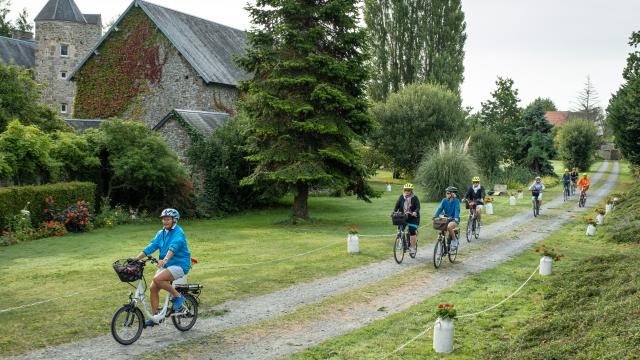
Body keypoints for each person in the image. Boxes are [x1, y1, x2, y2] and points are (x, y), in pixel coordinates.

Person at [134, 208, 191, 327]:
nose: (165, 221)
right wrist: (136, 259)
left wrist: (165, 259)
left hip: (179, 265)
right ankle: (156, 317)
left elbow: (173, 248)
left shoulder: (179, 233)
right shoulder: (161, 233)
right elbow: (151, 247)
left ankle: (178, 297)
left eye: (168, 219)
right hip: (167, 265)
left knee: (158, 279)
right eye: (164, 219)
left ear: (174, 220)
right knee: (153, 288)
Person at [393, 183, 420, 255]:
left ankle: (413, 247)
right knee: (400, 230)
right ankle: (402, 243)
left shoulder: (415, 198)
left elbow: (418, 207)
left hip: (413, 217)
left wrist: (415, 212)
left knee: (412, 231)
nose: (407, 191)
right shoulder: (401, 197)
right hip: (403, 216)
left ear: (411, 191)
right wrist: (394, 212)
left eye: (408, 190)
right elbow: (397, 206)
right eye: (405, 190)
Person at [433, 186, 461, 250]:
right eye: (446, 193)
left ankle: (454, 240)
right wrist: (435, 216)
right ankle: (442, 247)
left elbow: (457, 209)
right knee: (442, 231)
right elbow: (440, 208)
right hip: (446, 219)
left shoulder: (456, 201)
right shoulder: (444, 200)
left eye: (448, 193)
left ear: (452, 194)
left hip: (454, 219)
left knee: (449, 227)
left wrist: (456, 217)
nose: (446, 194)